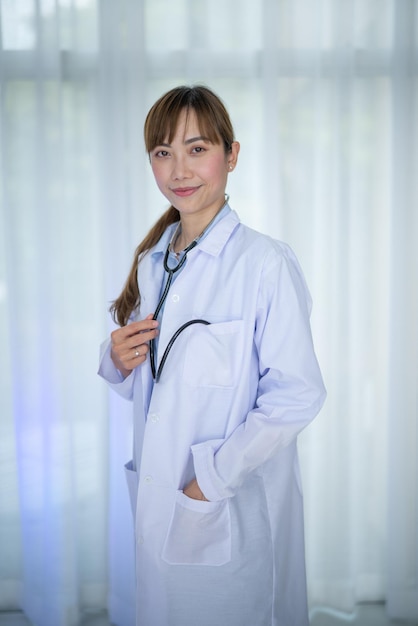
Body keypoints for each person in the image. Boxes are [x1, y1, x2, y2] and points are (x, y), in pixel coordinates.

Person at [98, 84, 326, 626]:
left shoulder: (265, 263)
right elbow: (156, 379)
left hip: (223, 503)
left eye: (197, 149)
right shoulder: (154, 261)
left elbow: (297, 395)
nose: (179, 169)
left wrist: (209, 481)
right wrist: (115, 358)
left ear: (232, 154)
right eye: (162, 152)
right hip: (162, 497)